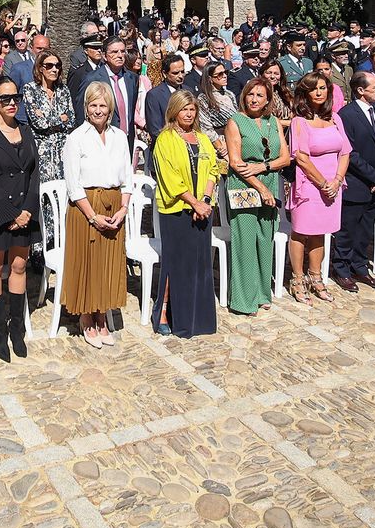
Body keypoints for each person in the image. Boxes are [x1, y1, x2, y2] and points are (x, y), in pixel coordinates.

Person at [62, 82, 133, 346]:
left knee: (109, 263)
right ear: (86, 108)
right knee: (87, 262)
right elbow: (73, 185)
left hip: (115, 205)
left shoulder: (119, 136)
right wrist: (92, 216)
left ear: (110, 108)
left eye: (103, 105)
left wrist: (124, 208)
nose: (98, 110)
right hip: (85, 208)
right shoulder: (76, 138)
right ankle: (85, 317)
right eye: (93, 105)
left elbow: (127, 177)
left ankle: (102, 314)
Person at [0, 77, 40, 361]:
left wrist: (27, 210)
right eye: (5, 98)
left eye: (16, 97)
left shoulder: (26, 132)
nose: (12, 103)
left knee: (19, 265)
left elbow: (34, 174)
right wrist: (10, 215)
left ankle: (18, 331)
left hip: (25, 212)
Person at [149, 91, 220, 337]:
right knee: (176, 263)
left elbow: (213, 169)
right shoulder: (165, 139)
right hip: (177, 210)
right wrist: (193, 202)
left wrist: (206, 200)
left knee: (200, 264)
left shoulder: (202, 138)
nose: (189, 114)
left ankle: (198, 316)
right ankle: (166, 313)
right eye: (184, 109)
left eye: (192, 109)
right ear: (174, 111)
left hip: (203, 208)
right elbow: (170, 178)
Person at [224, 78, 291, 314]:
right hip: (244, 185)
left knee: (265, 238)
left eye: (260, 96)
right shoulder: (235, 122)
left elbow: (285, 158)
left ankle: (263, 292)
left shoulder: (273, 122)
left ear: (268, 100)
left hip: (269, 180)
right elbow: (236, 162)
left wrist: (264, 168)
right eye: (251, 94)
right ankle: (244, 300)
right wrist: (259, 188)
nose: (254, 99)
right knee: (245, 240)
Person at [285, 73, 351, 303]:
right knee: (302, 231)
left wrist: (337, 180)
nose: (319, 92)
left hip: (334, 184)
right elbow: (301, 158)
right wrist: (322, 183)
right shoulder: (299, 121)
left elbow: (345, 152)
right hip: (309, 185)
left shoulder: (335, 119)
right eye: (314, 89)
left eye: (323, 88)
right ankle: (298, 278)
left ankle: (316, 277)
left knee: (320, 233)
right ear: (305, 93)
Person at [331, 71, 375, 291]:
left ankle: (359, 266)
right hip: (357, 182)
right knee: (348, 229)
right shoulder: (346, 115)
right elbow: (351, 153)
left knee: (365, 229)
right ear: (360, 90)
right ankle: (342, 269)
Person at [22, 50, 73, 180]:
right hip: (41, 151)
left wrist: (46, 118)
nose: (54, 69)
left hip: (63, 149)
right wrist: (61, 118)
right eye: (49, 66)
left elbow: (71, 120)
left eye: (57, 65)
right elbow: (38, 124)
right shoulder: (30, 89)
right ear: (40, 68)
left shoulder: (64, 90)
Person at [142, 53, 187, 172]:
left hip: (187, 156)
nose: (180, 76)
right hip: (165, 155)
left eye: (182, 71)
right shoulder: (154, 95)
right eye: (175, 73)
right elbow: (155, 130)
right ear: (164, 74)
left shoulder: (188, 91)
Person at [196, 62, 237, 152]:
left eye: (225, 72)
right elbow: (206, 128)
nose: (225, 76)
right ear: (210, 78)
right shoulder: (203, 99)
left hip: (235, 139)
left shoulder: (230, 94)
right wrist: (221, 147)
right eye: (220, 74)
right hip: (219, 143)